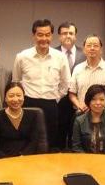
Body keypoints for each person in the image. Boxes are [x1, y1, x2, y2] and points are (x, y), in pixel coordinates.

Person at [12, 19, 71, 151]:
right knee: (28, 141)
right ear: (33, 35)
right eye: (40, 34)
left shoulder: (60, 57)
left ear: (52, 36)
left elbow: (66, 83)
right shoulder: (22, 56)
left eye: (47, 34)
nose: (44, 38)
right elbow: (16, 81)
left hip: (51, 104)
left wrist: (56, 97)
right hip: (28, 103)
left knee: (50, 142)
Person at [0, 82, 43, 159]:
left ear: (24, 97)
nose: (15, 99)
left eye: (19, 95)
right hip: (3, 161)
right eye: (11, 96)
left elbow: (33, 142)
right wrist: (7, 160)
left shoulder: (32, 115)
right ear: (5, 98)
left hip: (27, 159)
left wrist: (23, 156)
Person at [55, 21, 86, 150]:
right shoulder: (52, 53)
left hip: (79, 105)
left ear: (75, 36)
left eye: (71, 33)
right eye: (64, 33)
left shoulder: (85, 54)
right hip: (58, 104)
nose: (68, 36)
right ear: (59, 36)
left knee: (77, 140)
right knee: (58, 139)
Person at [69, 34, 105, 113]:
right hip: (82, 113)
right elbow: (72, 94)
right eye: (89, 45)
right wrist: (79, 105)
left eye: (95, 45)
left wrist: (98, 106)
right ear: (84, 50)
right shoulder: (77, 69)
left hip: (104, 113)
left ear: (101, 49)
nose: (92, 48)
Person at [72, 85, 105, 154]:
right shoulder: (79, 121)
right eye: (94, 99)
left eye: (102, 99)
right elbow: (76, 147)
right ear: (88, 101)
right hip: (86, 161)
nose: (98, 103)